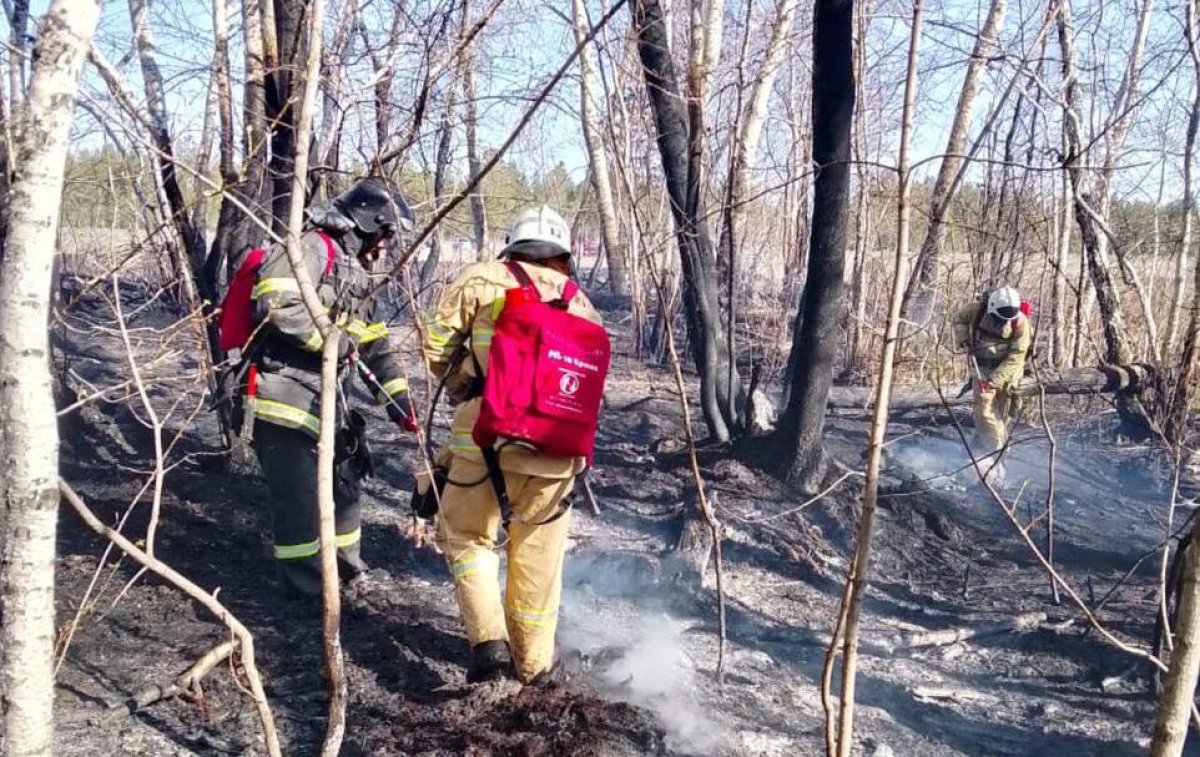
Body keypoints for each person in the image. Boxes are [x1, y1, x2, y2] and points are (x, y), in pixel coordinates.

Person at [423, 205, 605, 684]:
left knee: (465, 536)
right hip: (558, 454)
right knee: (539, 563)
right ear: (563, 255)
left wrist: (467, 382)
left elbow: (435, 347)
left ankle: (488, 643)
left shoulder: (482, 279)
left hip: (484, 439)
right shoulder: (583, 304)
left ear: (513, 245)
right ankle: (534, 667)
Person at [247, 176, 418, 597]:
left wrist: (399, 400)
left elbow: (375, 344)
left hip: (329, 403)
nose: (385, 246)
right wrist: (334, 342)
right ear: (367, 222)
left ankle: (347, 570)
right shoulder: (307, 249)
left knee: (346, 487)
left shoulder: (356, 272)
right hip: (285, 399)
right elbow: (275, 306)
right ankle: (305, 592)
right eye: (385, 234)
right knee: (299, 503)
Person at [952, 285, 1032, 481]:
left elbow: (1017, 356)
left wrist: (997, 379)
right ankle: (995, 456)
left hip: (1008, 371)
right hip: (982, 369)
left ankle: (985, 452)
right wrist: (963, 339)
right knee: (985, 412)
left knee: (1002, 415)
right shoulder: (975, 310)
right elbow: (959, 319)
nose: (1004, 320)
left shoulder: (1020, 323)